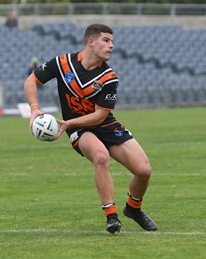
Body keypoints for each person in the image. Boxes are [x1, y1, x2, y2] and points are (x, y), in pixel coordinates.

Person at [23, 23, 157, 234]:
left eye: (112, 41)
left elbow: (100, 115)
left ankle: (133, 209)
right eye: (106, 40)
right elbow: (32, 80)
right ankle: (111, 216)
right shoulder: (62, 63)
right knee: (101, 156)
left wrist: (68, 123)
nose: (111, 45)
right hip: (81, 130)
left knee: (144, 170)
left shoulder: (109, 77)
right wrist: (34, 109)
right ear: (91, 42)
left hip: (101, 124)